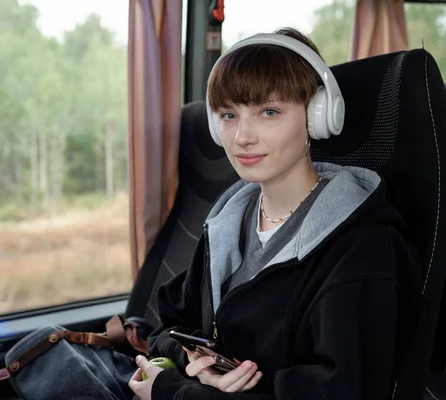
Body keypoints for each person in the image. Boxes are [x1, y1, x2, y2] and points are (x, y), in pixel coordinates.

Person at [128, 27, 422, 399]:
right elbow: (166, 325)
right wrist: (193, 363)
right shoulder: (228, 223)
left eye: (269, 112)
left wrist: (174, 392)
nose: (242, 137)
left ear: (317, 118)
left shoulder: (362, 247)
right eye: (229, 115)